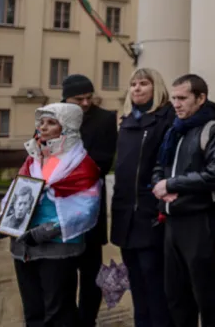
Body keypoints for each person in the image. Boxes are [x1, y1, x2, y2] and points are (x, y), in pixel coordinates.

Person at [0, 103, 101, 326]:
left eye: (51, 123)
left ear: (67, 127)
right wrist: (3, 220)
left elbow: (86, 209)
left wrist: (47, 230)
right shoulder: (35, 158)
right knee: (33, 312)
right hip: (24, 248)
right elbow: (18, 191)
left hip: (57, 248)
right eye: (41, 122)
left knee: (58, 313)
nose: (43, 127)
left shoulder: (81, 164)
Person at [152, 74, 215, 327]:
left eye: (182, 98)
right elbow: (159, 166)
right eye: (174, 98)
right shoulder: (175, 130)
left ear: (201, 98)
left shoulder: (212, 130)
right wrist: (159, 186)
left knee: (205, 293)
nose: (176, 103)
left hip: (198, 220)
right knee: (176, 293)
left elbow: (213, 175)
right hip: (172, 221)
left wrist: (172, 185)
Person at [111, 68, 176, 327]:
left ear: (156, 87)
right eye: (133, 84)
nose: (137, 88)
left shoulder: (165, 119)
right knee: (136, 283)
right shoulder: (126, 122)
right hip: (125, 215)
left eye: (144, 84)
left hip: (150, 215)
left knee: (155, 283)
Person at [61, 73, 118, 326]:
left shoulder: (105, 119)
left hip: (89, 207)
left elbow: (101, 163)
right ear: (65, 99)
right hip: (59, 209)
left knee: (90, 270)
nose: (85, 103)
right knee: (62, 272)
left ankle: (87, 320)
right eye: (78, 99)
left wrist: (64, 173)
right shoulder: (53, 117)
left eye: (89, 97)